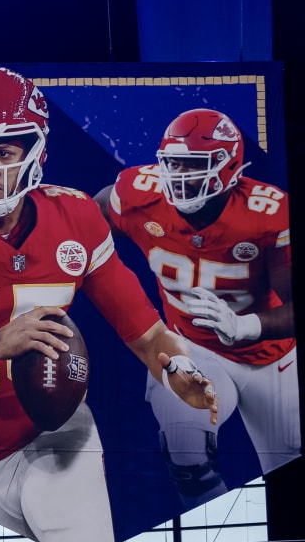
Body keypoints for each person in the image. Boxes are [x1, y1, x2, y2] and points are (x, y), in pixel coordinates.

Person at [0, 68, 218, 542]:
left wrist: (177, 369)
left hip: (54, 430)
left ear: (34, 152)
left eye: (5, 151)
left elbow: (147, 334)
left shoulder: (75, 216)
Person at [96, 108, 296, 499]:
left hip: (271, 356)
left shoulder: (268, 215)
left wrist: (245, 326)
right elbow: (87, 221)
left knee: (290, 469)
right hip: (193, 347)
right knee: (187, 460)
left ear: (229, 166)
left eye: (194, 164)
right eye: (173, 163)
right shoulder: (139, 193)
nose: (181, 176)